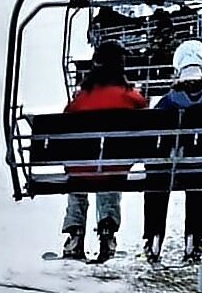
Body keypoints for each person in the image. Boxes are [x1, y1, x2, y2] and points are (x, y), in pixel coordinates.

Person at [141, 40, 202, 264]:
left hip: (168, 171)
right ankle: (195, 237)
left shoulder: (166, 103)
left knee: (156, 178)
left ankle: (153, 235)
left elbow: (152, 143)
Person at [60, 40, 148, 263]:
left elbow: (65, 119)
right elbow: (145, 112)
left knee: (79, 172)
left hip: (82, 169)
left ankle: (75, 233)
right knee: (110, 168)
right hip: (113, 167)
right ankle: (107, 230)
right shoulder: (129, 96)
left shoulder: (83, 97)